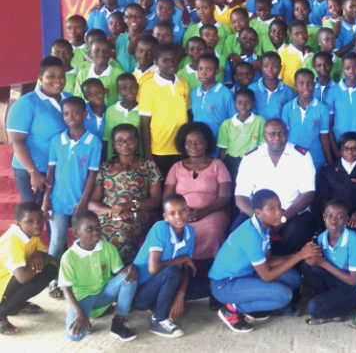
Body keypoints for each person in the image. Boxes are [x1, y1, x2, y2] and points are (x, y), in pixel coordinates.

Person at [209, 190, 320, 333]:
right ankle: (231, 310)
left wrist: (300, 254)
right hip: (225, 284)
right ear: (258, 212)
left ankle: (251, 308)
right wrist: (299, 256)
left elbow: (268, 260)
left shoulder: (264, 227)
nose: (279, 212)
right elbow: (266, 275)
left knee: (293, 278)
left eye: (279, 206)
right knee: (283, 296)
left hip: (244, 275)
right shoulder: (251, 235)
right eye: (272, 209)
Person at [40, 97, 100, 296]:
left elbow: (92, 174)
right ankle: (52, 280)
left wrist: (83, 201)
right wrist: (46, 198)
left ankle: (81, 280)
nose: (70, 117)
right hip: (58, 201)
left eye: (75, 112)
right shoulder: (57, 141)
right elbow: (50, 172)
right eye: (66, 114)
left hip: (80, 202)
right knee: (57, 241)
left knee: (83, 240)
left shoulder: (93, 142)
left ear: (85, 114)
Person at [232, 119, 317, 255]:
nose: (277, 138)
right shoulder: (251, 158)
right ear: (264, 136)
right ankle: (251, 270)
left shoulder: (302, 156)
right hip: (259, 213)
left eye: (281, 133)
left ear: (287, 134)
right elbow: (240, 196)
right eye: (271, 134)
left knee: (296, 232)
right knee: (237, 231)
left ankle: (284, 267)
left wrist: (282, 218)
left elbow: (308, 194)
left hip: (292, 211)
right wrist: (259, 219)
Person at [299, 199, 356, 328]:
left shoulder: (353, 240)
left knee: (314, 307)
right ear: (324, 217)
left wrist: (322, 263)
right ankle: (335, 307)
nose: (334, 220)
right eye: (330, 215)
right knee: (308, 266)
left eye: (340, 216)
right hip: (343, 279)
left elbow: (353, 280)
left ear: (347, 219)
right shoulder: (322, 238)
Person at [59, 210, 138, 342]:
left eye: (97, 227)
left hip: (103, 295)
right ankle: (86, 314)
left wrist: (131, 268)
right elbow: (65, 289)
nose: (96, 232)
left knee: (130, 278)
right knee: (74, 335)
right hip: (81, 300)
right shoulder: (69, 257)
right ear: (76, 232)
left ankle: (118, 322)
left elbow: (120, 274)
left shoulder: (107, 247)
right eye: (89, 229)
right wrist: (79, 312)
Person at [88, 124, 163, 263]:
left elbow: (156, 200)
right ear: (114, 145)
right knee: (89, 234)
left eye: (129, 140)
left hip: (137, 214)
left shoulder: (148, 165)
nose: (124, 145)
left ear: (136, 142)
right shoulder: (105, 167)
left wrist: (128, 205)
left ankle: (123, 274)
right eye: (119, 141)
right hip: (108, 214)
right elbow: (92, 203)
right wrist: (114, 211)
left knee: (120, 235)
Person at [7, 57, 71, 205]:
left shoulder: (69, 99)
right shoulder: (26, 102)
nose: (58, 80)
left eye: (62, 76)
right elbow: (15, 141)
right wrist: (33, 173)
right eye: (51, 76)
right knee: (33, 216)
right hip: (33, 170)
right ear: (41, 78)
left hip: (59, 169)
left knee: (56, 216)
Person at [164, 122, 232, 261]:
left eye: (198, 142)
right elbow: (167, 198)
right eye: (189, 142)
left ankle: (211, 268)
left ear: (206, 143)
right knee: (175, 230)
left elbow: (225, 196)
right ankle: (182, 266)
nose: (193, 146)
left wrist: (204, 211)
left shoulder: (218, 165)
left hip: (211, 213)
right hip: (181, 214)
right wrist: (181, 211)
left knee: (213, 230)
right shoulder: (176, 167)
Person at [131, 195, 197, 338]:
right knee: (172, 272)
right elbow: (153, 268)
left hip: (162, 283)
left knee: (205, 287)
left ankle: (162, 303)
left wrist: (180, 295)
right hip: (140, 293)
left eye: (183, 211)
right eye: (172, 213)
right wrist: (182, 259)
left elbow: (186, 266)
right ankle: (158, 320)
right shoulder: (160, 227)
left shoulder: (190, 232)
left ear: (188, 210)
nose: (179, 216)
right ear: (165, 216)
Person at [0, 202, 58, 336]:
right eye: (30, 222)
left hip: (8, 279)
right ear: (19, 223)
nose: (37, 225)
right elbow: (22, 277)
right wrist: (46, 258)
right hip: (2, 281)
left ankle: (16, 306)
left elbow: (45, 255)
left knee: (49, 270)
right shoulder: (13, 241)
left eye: (40, 220)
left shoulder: (31, 234)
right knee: (35, 275)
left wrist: (38, 254)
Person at [315, 132, 356, 249]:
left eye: (354, 148)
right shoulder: (328, 170)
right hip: (333, 217)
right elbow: (321, 197)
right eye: (345, 148)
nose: (349, 152)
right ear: (339, 150)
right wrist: (332, 215)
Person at [139, 44, 191, 177]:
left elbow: (188, 114)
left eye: (173, 59)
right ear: (156, 63)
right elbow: (144, 124)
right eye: (166, 60)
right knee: (160, 189)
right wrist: (148, 155)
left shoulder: (183, 83)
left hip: (181, 147)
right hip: (159, 149)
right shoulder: (149, 86)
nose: (171, 63)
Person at [217, 88, 266, 211]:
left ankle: (253, 215)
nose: (243, 106)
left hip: (253, 162)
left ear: (253, 104)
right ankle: (234, 217)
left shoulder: (259, 121)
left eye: (247, 102)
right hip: (232, 162)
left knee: (253, 190)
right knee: (234, 190)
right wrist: (220, 167)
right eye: (239, 102)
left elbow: (262, 147)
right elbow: (223, 150)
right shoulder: (226, 124)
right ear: (234, 103)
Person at [282, 69, 332, 170]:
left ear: (314, 85)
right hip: (292, 159)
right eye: (301, 83)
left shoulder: (321, 108)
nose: (305, 87)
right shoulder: (287, 108)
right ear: (295, 86)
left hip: (315, 158)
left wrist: (329, 161)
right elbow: (284, 135)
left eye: (309, 83)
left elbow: (324, 137)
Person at [190, 54, 235, 155]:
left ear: (217, 71)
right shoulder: (194, 93)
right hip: (199, 147)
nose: (203, 73)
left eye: (208, 69)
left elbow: (233, 121)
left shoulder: (225, 93)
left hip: (219, 147)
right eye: (200, 69)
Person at [74, 38, 124, 106]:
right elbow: (78, 99)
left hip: (109, 114)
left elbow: (122, 99)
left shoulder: (118, 74)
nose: (101, 54)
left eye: (105, 51)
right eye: (97, 51)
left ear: (110, 54)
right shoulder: (82, 74)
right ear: (90, 53)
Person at [250, 52, 296, 121]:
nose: (270, 70)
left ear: (280, 68)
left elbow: (291, 116)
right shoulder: (252, 89)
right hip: (257, 130)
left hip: (278, 130)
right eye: (266, 66)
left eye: (274, 66)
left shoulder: (288, 92)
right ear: (261, 68)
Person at [104, 74, 140, 159]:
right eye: (124, 88)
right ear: (118, 90)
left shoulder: (143, 111)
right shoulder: (110, 110)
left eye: (132, 87)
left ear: (137, 86)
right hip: (113, 159)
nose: (129, 91)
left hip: (136, 159)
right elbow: (106, 137)